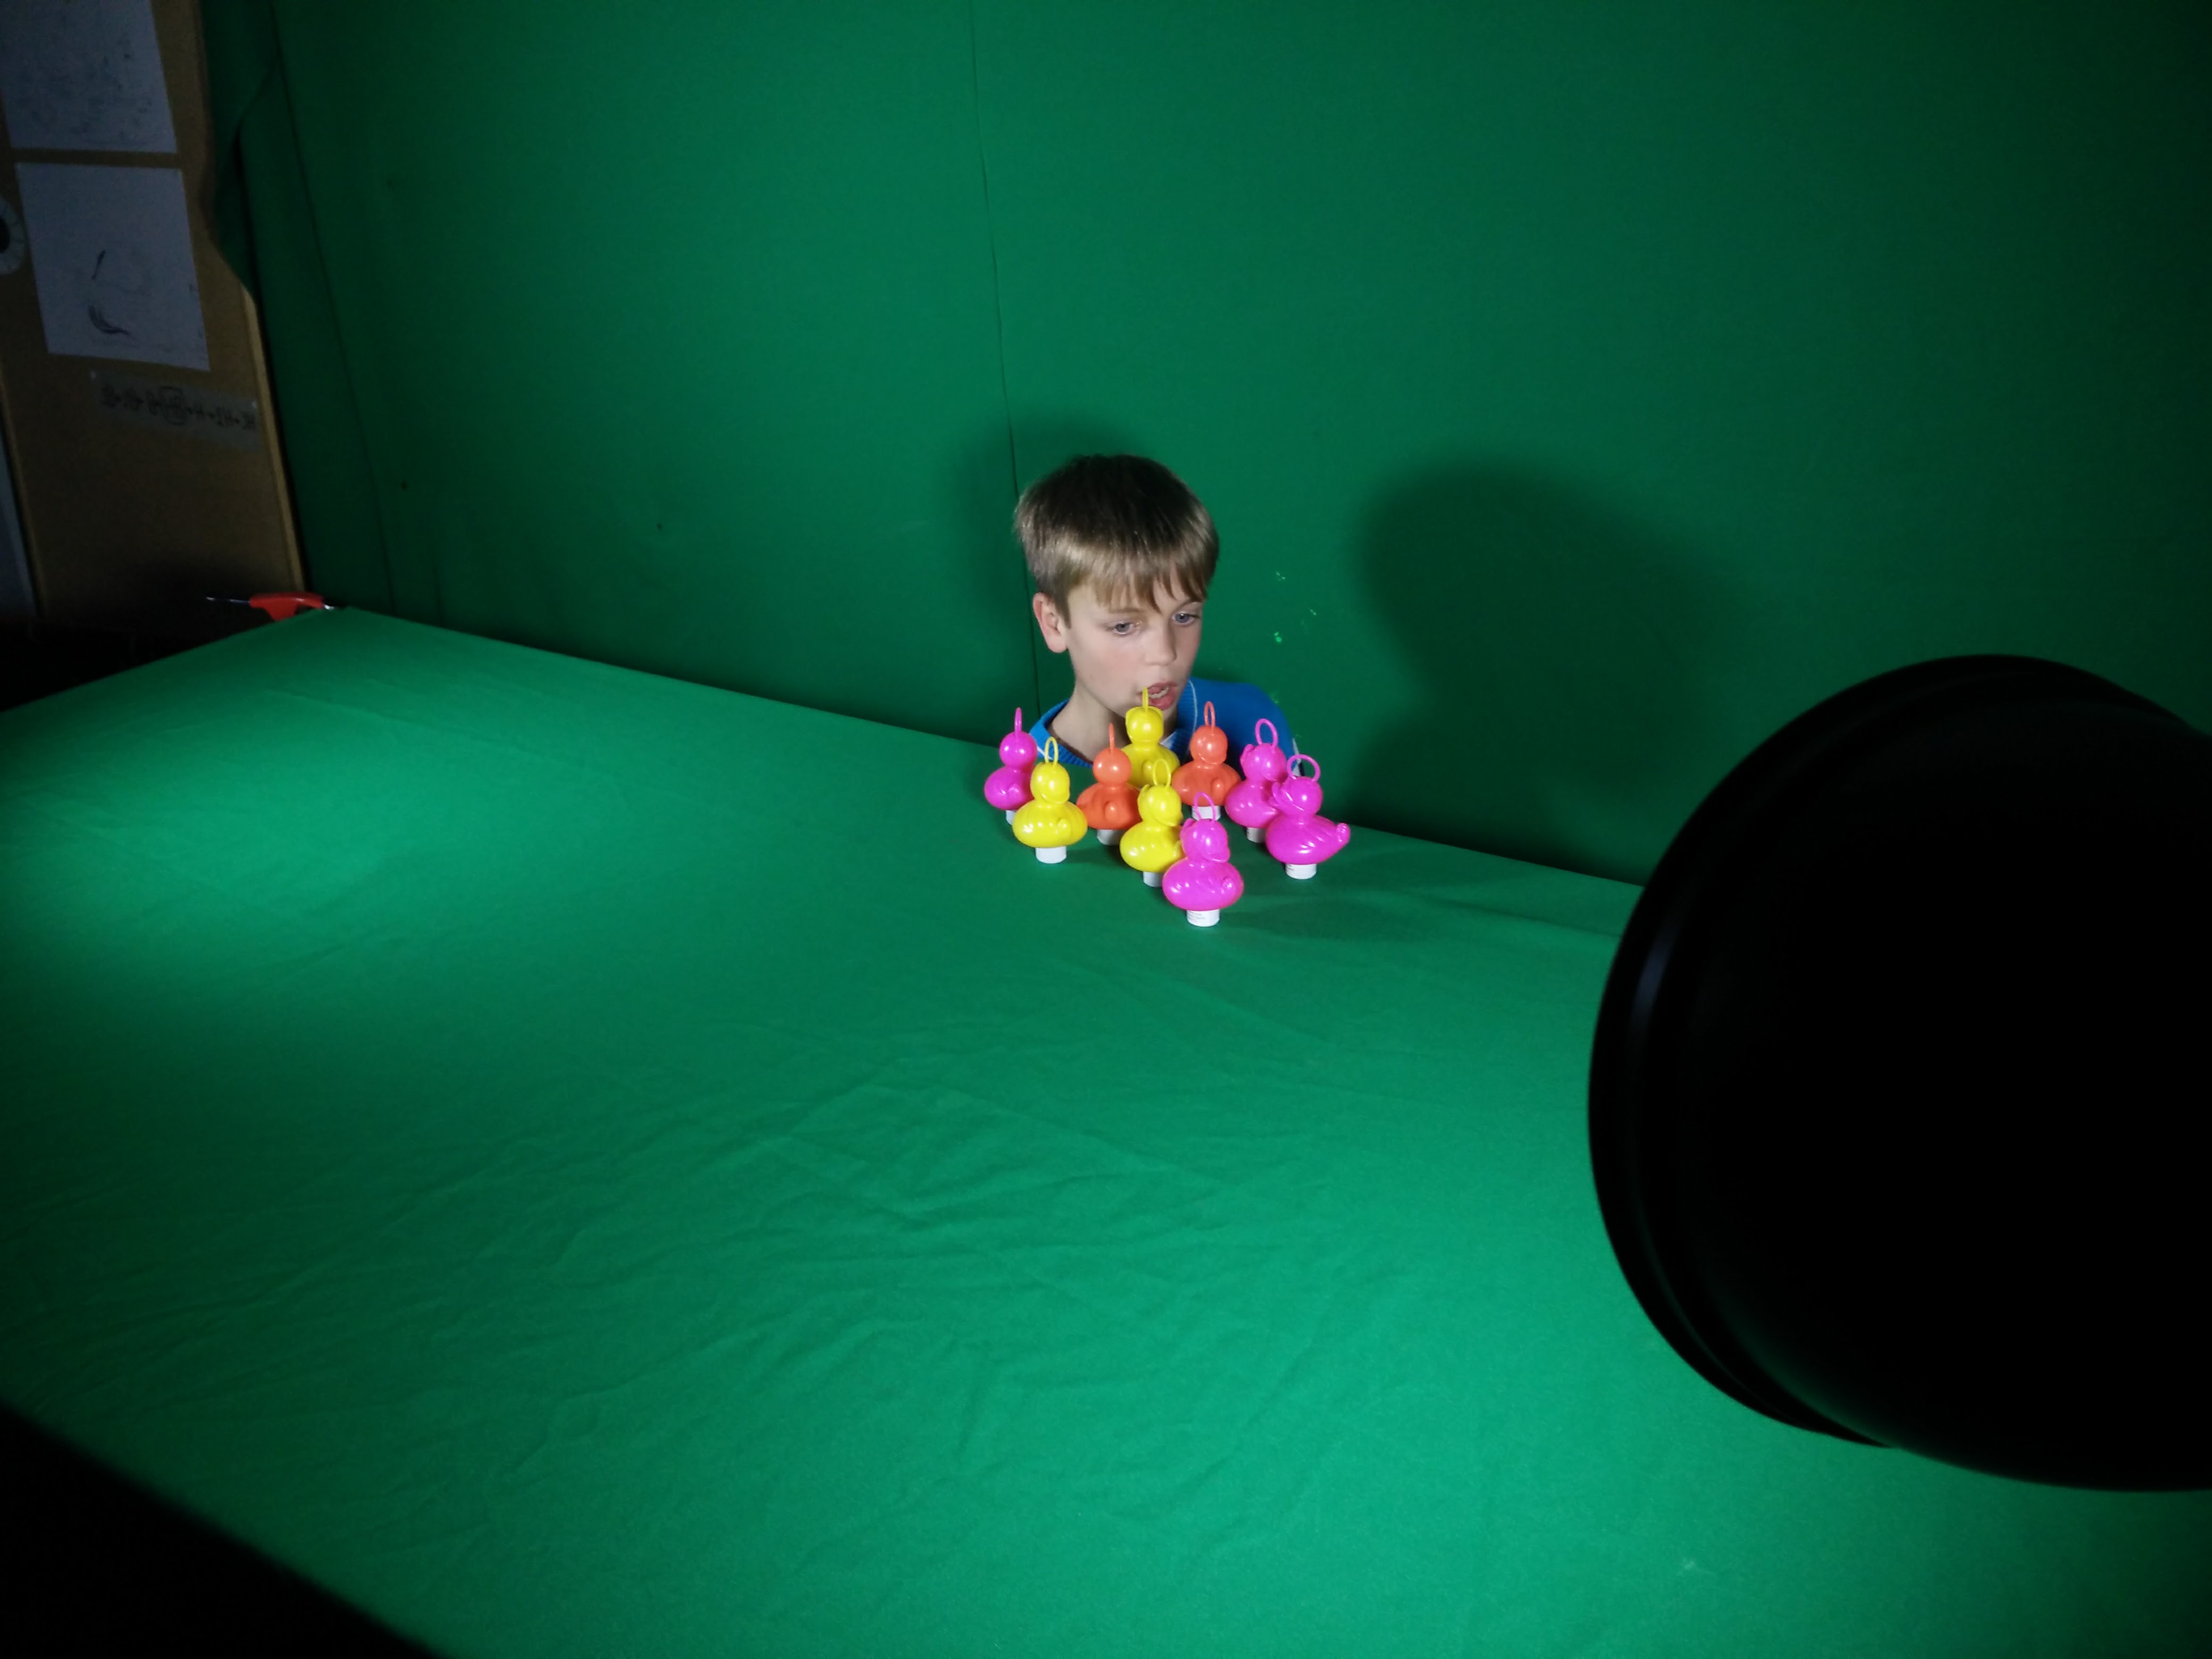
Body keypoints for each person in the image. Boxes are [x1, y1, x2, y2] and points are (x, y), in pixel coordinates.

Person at [1016, 455, 1294, 775]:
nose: (1165, 654)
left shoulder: (1256, 725)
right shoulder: (1030, 783)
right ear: (1054, 624)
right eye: (1123, 626)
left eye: (1184, 617)